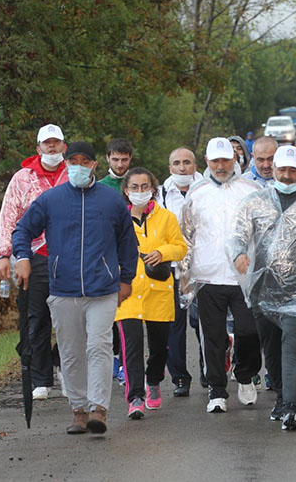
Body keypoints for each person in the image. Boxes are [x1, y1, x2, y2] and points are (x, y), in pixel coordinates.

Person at [12, 141, 139, 435]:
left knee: (99, 346)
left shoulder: (111, 200)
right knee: (70, 352)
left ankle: (99, 409)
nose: (79, 166)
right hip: (63, 288)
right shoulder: (51, 200)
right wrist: (22, 258)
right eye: (74, 161)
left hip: (102, 289)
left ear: (94, 165)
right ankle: (79, 410)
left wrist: (126, 279)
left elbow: (127, 243)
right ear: (67, 164)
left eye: (85, 161)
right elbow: (22, 230)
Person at [228, 146, 296, 431]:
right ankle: (279, 397)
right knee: (272, 349)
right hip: (263, 289)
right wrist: (238, 253)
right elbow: (238, 234)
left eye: (292, 170)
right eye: (282, 170)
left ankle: (291, 406)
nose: (286, 176)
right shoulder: (255, 202)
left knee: (292, 344)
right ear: (273, 170)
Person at [176, 137, 263, 413]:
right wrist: (185, 275)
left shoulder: (251, 189)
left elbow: (263, 231)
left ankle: (246, 374)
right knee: (212, 337)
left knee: (249, 331)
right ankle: (217, 390)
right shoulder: (197, 192)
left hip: (243, 277)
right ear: (207, 162)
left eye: (226, 160)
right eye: (215, 161)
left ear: (235, 160)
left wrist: (260, 266)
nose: (221, 166)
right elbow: (186, 236)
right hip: (208, 276)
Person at [0, 123, 68, 401]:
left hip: (67, 255)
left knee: (69, 315)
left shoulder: (72, 174)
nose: (51, 147)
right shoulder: (23, 178)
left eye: (56, 143)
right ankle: (41, 377)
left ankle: (62, 364)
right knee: (36, 318)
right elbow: (9, 216)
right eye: (46, 144)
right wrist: (4, 254)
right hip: (33, 255)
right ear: (38, 148)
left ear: (64, 146)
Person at [115, 168, 187, 419]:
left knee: (159, 347)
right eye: (134, 187)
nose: (139, 192)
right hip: (128, 291)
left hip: (159, 290)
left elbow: (180, 248)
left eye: (144, 186)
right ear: (126, 190)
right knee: (131, 346)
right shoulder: (117, 219)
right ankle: (135, 396)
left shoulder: (166, 217)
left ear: (153, 190)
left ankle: (154, 379)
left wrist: (163, 252)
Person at [156, 147, 205, 397]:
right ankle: (179, 378)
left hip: (203, 268)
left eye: (187, 162)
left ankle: (209, 371)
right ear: (170, 168)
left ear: (195, 166)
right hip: (173, 269)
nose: (182, 167)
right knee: (174, 326)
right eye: (177, 163)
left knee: (204, 323)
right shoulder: (160, 194)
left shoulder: (207, 189)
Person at [98, 138, 133, 383]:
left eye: (124, 159)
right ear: (107, 158)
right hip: (106, 253)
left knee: (128, 310)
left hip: (133, 251)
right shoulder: (100, 186)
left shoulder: (138, 182)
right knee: (108, 310)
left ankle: (126, 360)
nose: (120, 164)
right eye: (115, 159)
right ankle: (111, 357)